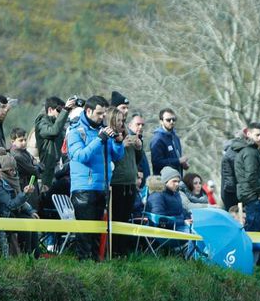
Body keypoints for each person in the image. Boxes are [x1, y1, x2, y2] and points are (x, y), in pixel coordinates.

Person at [67, 95, 125, 261]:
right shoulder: (76, 131)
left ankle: (96, 270)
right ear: (88, 111)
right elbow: (80, 156)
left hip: (102, 188)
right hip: (84, 189)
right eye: (99, 113)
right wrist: (99, 140)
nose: (102, 117)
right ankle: (84, 269)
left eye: (104, 113)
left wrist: (118, 142)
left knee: (97, 237)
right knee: (85, 237)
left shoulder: (103, 131)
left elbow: (116, 157)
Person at [107, 106, 142, 256]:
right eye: (118, 120)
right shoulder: (109, 136)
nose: (122, 124)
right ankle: (114, 251)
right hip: (116, 184)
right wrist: (121, 145)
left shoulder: (128, 134)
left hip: (130, 183)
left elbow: (137, 160)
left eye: (123, 120)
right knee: (116, 218)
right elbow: (110, 156)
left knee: (126, 218)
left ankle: (122, 251)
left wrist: (139, 147)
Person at [231, 122, 260, 233]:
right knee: (255, 230)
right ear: (248, 134)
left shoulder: (251, 150)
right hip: (253, 196)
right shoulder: (250, 151)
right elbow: (251, 176)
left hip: (250, 194)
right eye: (257, 135)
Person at [35, 96, 76, 188]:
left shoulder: (57, 123)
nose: (61, 113)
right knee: (47, 196)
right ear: (50, 110)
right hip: (48, 168)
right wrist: (65, 110)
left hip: (58, 166)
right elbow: (54, 131)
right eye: (59, 110)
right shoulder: (41, 123)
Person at [150, 108, 187, 175]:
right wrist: (178, 161)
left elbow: (176, 160)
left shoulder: (175, 138)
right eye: (168, 120)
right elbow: (157, 163)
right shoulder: (158, 139)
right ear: (161, 121)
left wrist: (182, 164)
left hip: (177, 179)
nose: (171, 122)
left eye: (173, 119)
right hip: (163, 181)